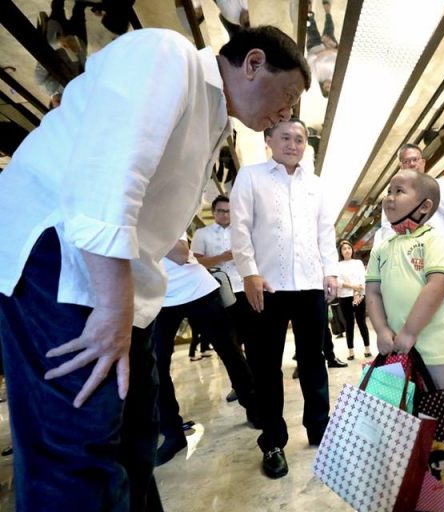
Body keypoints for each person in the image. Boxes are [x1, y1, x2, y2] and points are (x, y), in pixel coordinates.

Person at [0, 26, 309, 511]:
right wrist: (112, 306)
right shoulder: (167, 55)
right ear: (252, 63)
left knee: (134, 440)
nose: (287, 112)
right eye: (288, 95)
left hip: (121, 280)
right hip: (63, 261)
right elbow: (109, 174)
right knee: (79, 453)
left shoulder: (213, 117)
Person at [230, 117, 338, 480]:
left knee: (313, 359)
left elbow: (326, 231)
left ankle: (319, 427)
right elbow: (240, 226)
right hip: (268, 287)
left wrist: (330, 271)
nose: (294, 144)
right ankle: (273, 440)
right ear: (269, 140)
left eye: (301, 138)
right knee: (265, 365)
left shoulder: (317, 185)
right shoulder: (251, 176)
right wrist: (249, 272)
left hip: (309, 284)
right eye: (286, 137)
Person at [366, 169, 444, 497]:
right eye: (389, 190)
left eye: (399, 190)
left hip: (439, 351)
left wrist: (409, 331)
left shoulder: (433, 240)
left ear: (423, 206)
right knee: (411, 419)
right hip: (397, 354)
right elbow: (372, 292)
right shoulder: (382, 247)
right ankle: (430, 485)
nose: (389, 196)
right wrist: (382, 330)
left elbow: (439, 284)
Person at [151, 236, 261, 466]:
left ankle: (254, 408)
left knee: (230, 351)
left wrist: (140, 226)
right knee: (155, 365)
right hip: (157, 297)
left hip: (196, 288)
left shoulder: (159, 208)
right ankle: (172, 433)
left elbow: (180, 254)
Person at [382, 144, 444, 391]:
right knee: (415, 318)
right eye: (406, 161)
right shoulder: (396, 196)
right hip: (409, 269)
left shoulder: (442, 186)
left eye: (415, 160)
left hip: (442, 267)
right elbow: (387, 231)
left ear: (423, 162)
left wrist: (431, 190)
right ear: (400, 165)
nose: (412, 164)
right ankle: (417, 373)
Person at [191, 194, 249, 402]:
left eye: (229, 211)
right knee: (231, 344)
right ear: (214, 212)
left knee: (252, 338)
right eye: (221, 211)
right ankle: (239, 385)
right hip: (219, 293)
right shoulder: (202, 234)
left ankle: (256, 382)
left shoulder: (243, 232)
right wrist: (223, 257)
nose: (226, 215)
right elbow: (196, 263)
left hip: (245, 289)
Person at [336, 239, 371, 360]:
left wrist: (357, 292)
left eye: (349, 248)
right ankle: (351, 352)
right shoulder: (338, 265)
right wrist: (352, 287)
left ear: (352, 250)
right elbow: (338, 282)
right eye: (344, 249)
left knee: (362, 322)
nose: (347, 250)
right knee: (349, 324)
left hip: (359, 295)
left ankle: (367, 349)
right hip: (344, 297)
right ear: (341, 252)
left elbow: (362, 277)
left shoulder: (358, 262)